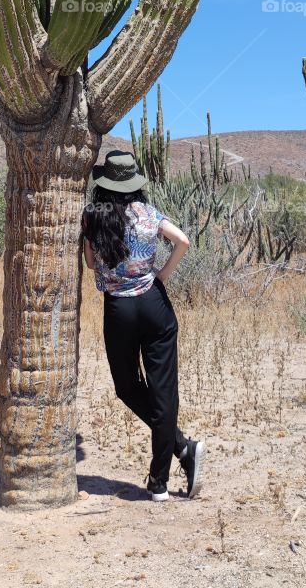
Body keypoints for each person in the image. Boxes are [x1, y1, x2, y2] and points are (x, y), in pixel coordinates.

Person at [80, 148, 204, 502]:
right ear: (134, 182)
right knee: (164, 394)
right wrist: (161, 273)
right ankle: (162, 480)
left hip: (119, 309)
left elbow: (90, 264)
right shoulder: (149, 214)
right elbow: (183, 240)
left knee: (127, 387)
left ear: (104, 184)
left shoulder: (93, 216)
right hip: (154, 305)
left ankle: (181, 450)